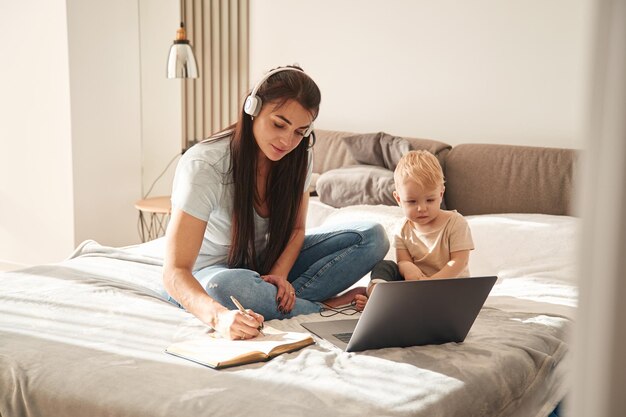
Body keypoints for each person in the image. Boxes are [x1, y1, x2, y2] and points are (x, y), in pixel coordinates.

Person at [162, 65, 389, 340]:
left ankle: (274, 301)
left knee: (373, 237)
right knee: (228, 285)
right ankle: (324, 307)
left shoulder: (299, 157)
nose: (287, 140)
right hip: (209, 274)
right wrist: (220, 317)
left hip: (265, 264)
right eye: (279, 124)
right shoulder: (204, 166)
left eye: (299, 131)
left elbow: (295, 231)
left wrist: (279, 276)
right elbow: (175, 271)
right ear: (252, 109)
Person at [354, 150, 474, 311]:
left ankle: (389, 303)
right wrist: (407, 267)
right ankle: (377, 298)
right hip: (414, 286)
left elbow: (459, 262)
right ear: (398, 199)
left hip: (447, 286)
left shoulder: (455, 222)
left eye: (430, 200)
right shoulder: (403, 228)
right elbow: (403, 260)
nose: (421, 208)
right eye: (411, 201)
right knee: (385, 266)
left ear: (441, 193)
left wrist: (431, 284)